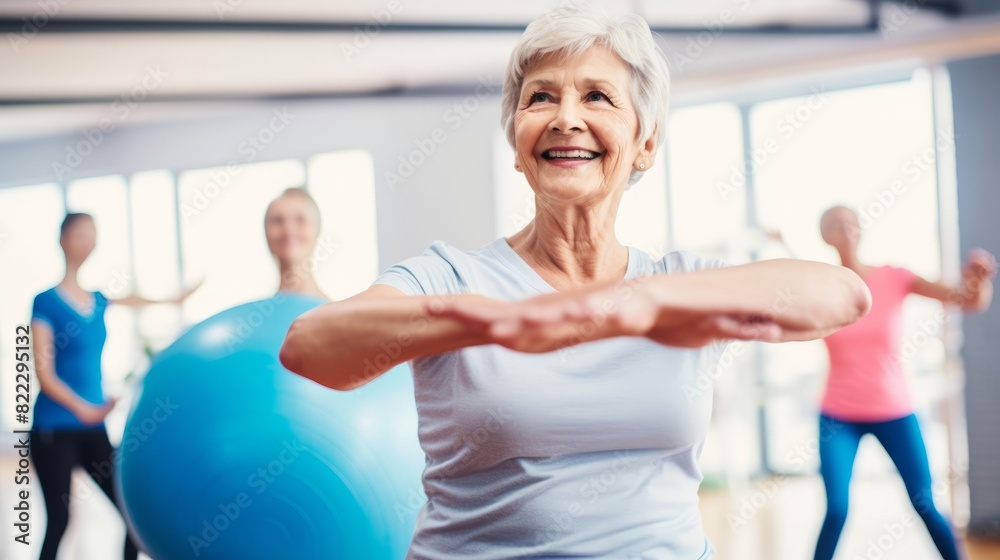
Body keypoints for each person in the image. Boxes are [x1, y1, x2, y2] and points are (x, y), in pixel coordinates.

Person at [279, 6, 871, 558]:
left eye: (597, 96)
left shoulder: (682, 286)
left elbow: (845, 295)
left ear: (646, 143)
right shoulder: (452, 276)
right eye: (541, 97)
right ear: (516, 140)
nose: (566, 118)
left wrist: (631, 304)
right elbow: (308, 346)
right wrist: (494, 321)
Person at [814, 205, 996, 560]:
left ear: (862, 229)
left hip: (894, 410)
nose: (847, 231)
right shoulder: (823, 285)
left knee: (925, 502)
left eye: (853, 222)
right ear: (825, 236)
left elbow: (966, 300)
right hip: (838, 414)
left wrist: (978, 280)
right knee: (837, 509)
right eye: (837, 226)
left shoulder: (894, 277)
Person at [30, 212, 197, 560]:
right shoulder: (44, 302)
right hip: (54, 430)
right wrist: (84, 408)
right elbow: (44, 374)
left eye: (92, 235)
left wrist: (172, 301)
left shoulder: (99, 300)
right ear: (62, 240)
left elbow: (134, 299)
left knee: (132, 512)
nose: (87, 242)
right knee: (60, 519)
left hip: (93, 429)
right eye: (79, 235)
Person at [264, 187, 327, 299]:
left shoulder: (339, 314)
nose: (289, 230)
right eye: (278, 220)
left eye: (300, 219)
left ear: (317, 230)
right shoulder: (254, 314)